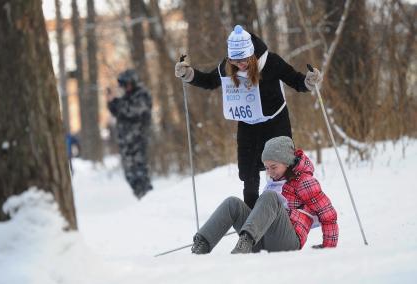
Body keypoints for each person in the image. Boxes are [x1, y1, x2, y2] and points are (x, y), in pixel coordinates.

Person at [175, 25, 323, 209]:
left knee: (282, 167)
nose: (240, 65)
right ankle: (251, 217)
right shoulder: (228, 66)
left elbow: (296, 81)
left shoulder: (271, 62)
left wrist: (309, 81)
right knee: (248, 172)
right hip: (248, 123)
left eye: (244, 60)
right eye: (235, 61)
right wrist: (189, 74)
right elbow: (210, 81)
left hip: (275, 121)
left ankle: (291, 210)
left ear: (252, 54)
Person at [190, 136, 338, 254]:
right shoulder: (274, 181)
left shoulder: (304, 181)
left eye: (274, 167)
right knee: (232, 203)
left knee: (269, 197)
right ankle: (202, 244)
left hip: (288, 242)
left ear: (287, 162)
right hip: (262, 240)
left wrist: (328, 248)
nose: (270, 172)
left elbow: (328, 214)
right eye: (267, 168)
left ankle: (246, 241)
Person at [106, 69, 153, 199]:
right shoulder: (126, 97)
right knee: (130, 175)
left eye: (127, 84)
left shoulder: (142, 95)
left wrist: (116, 102)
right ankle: (142, 198)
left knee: (140, 173)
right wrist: (111, 100)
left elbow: (131, 111)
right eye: (123, 85)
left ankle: (148, 199)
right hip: (126, 143)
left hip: (137, 141)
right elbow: (116, 111)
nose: (125, 88)